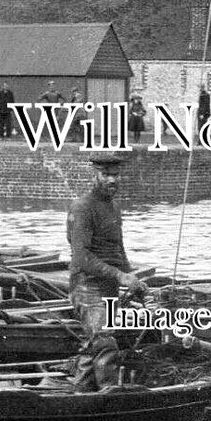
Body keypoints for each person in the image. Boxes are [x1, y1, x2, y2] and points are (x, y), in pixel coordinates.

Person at [66, 153, 147, 390]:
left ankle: (81, 396)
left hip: (108, 288)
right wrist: (120, 276)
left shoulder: (113, 206)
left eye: (116, 175)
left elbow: (116, 249)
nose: (112, 180)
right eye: (106, 175)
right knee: (106, 342)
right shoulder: (82, 208)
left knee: (93, 348)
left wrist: (132, 277)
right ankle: (108, 397)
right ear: (95, 175)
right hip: (87, 286)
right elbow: (82, 257)